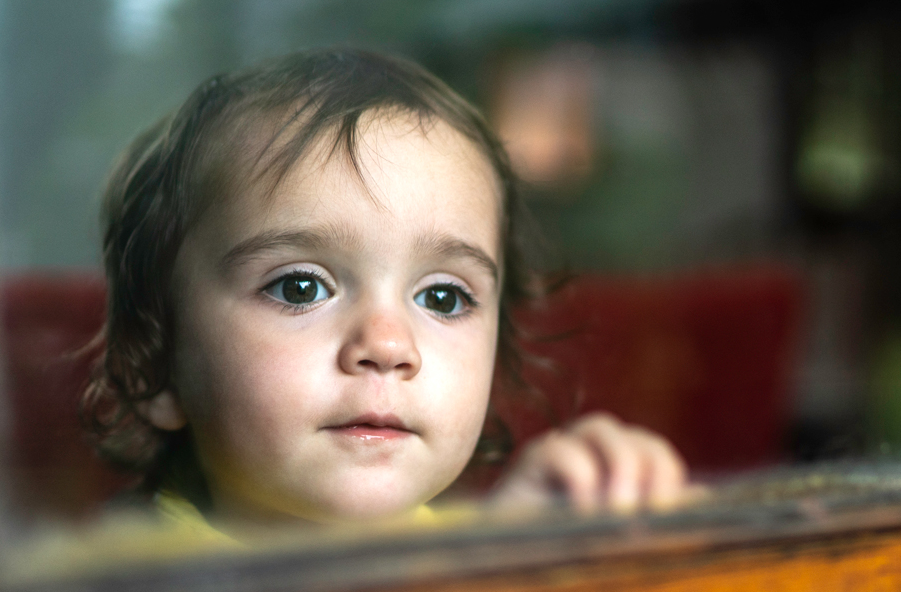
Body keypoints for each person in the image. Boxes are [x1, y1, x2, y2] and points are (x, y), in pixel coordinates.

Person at [83, 46, 690, 533]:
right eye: (300, 287)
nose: (388, 344)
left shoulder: (459, 549)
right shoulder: (125, 588)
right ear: (156, 362)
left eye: (443, 298)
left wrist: (526, 553)